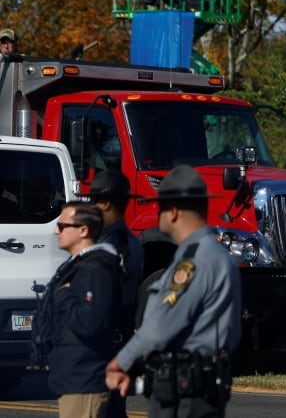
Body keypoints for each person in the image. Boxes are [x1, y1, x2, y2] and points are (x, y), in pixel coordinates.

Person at [105, 164, 242, 418]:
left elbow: (159, 327)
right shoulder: (219, 256)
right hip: (205, 387)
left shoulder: (191, 262)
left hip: (182, 394)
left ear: (174, 211)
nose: (158, 214)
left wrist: (121, 362)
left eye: (160, 208)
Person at [45, 201, 123, 418]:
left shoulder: (96, 269)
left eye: (61, 226)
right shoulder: (80, 266)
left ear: (83, 230)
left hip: (85, 379)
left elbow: (90, 323)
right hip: (73, 378)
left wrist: (64, 295)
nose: (55, 231)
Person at [86, 170, 144, 418]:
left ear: (106, 203)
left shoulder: (113, 246)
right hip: (113, 335)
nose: (90, 207)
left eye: (94, 201)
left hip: (107, 337)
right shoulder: (118, 240)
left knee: (103, 409)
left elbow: (101, 295)